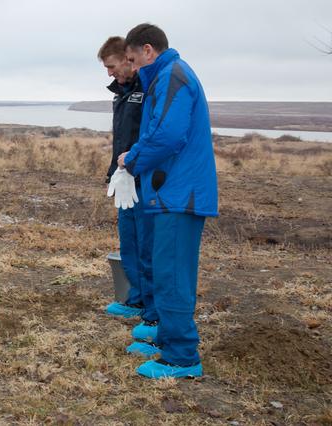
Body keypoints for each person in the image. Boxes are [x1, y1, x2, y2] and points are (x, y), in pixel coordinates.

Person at [118, 24, 218, 378]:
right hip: (170, 191)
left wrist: (132, 159)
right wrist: (138, 153)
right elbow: (159, 132)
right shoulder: (165, 76)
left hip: (181, 194)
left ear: (148, 50)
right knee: (165, 270)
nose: (131, 67)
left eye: (132, 59)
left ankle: (182, 357)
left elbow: (167, 135)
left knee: (173, 275)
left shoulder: (172, 75)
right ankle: (166, 336)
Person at [98, 37, 160, 357]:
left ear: (127, 58)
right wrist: (115, 172)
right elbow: (122, 138)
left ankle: (153, 312)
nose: (109, 73)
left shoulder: (147, 88)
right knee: (129, 242)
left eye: (111, 66)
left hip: (143, 178)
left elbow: (148, 137)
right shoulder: (121, 94)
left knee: (147, 244)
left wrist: (135, 167)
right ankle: (136, 298)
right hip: (124, 179)